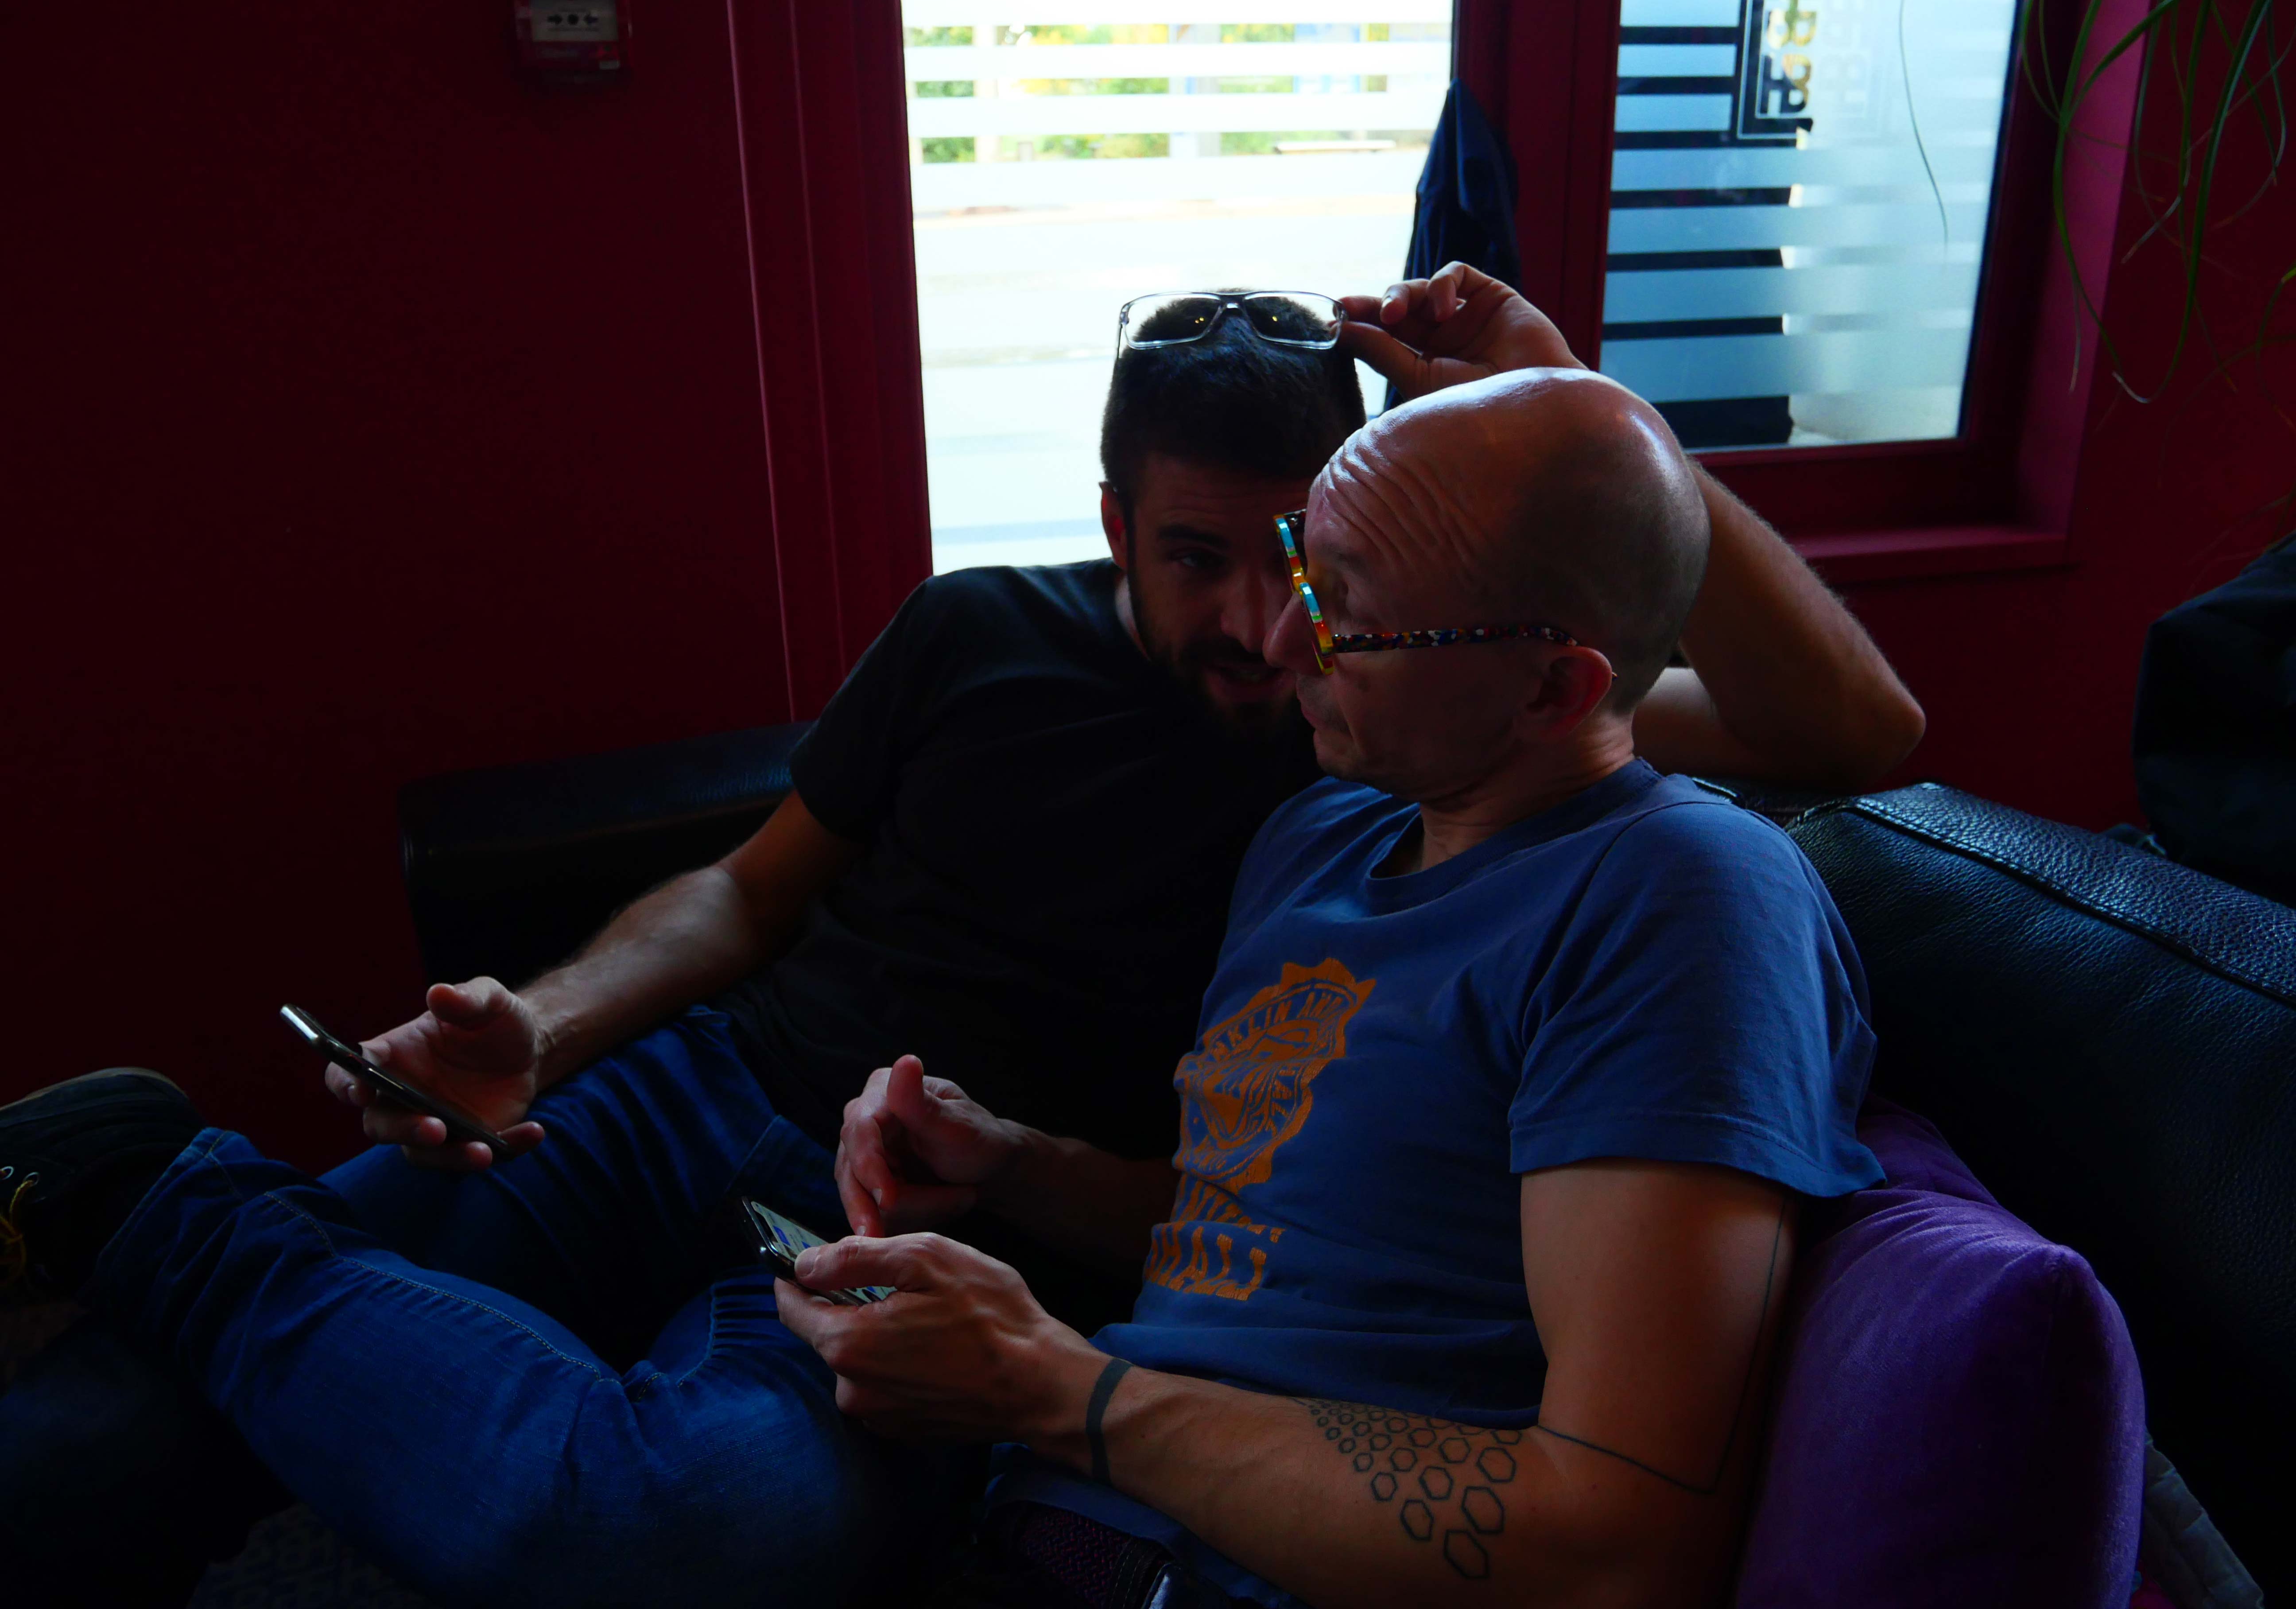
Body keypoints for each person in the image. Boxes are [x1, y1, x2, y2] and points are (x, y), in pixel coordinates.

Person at [0, 271, 1917, 1607]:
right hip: (719, 1100)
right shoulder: (1031, 653)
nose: (1266, 631)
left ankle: (153, 1191)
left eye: (1312, 573)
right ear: (1115, 523)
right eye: (1209, 561)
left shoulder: (1439, 743)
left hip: (930, 1260)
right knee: (98, 1446)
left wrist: (1583, 401)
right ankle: (144, 1223)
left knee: (685, 1529)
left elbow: (1834, 726)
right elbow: (752, 892)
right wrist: (552, 1030)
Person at [781, 366, 1886, 1609]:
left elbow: (1616, 1542)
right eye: (1308, 564)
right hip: (1036, 1531)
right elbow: (1263, 1240)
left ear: (1553, 690)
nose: (1275, 639)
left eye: (1343, 611)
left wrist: (1054, 1388)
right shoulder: (1318, 834)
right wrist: (1015, 1164)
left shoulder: (1682, 896)